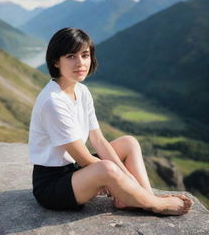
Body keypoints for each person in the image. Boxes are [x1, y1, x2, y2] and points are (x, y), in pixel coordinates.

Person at [28, 27, 192, 214]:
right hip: (52, 186)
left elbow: (98, 140)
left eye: (85, 55)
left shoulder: (81, 91)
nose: (80, 63)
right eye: (71, 56)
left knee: (128, 143)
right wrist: (119, 178)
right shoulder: (53, 101)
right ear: (56, 61)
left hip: (73, 172)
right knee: (107, 168)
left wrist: (127, 180)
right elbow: (82, 158)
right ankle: (154, 204)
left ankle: (141, 196)